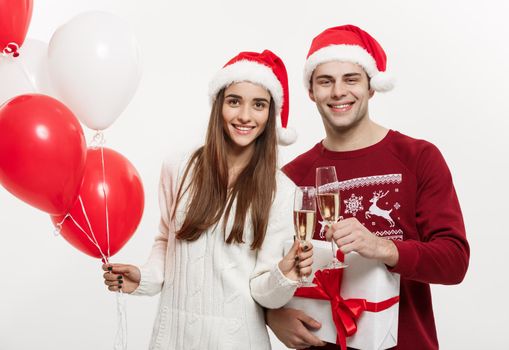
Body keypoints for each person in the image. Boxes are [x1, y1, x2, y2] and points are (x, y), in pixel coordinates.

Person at [266, 25, 470, 349]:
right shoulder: (290, 177)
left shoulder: (419, 158)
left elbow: (454, 261)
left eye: (351, 79)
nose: (337, 92)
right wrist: (271, 316)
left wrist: (384, 249)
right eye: (325, 81)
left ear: (371, 87)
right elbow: (259, 269)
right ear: (311, 91)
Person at [102, 49, 314, 350]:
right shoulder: (178, 168)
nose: (245, 116)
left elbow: (263, 293)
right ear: (219, 105)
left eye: (259, 105)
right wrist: (144, 278)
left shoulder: (282, 191)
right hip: (172, 339)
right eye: (234, 101)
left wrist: (285, 274)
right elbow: (167, 241)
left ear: (270, 115)